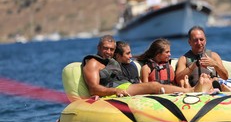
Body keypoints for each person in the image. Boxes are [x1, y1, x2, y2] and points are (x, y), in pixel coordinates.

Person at [82, 35, 212, 97]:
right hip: (117, 90)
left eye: (111, 49)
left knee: (155, 87)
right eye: (105, 49)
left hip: (126, 87)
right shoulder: (93, 63)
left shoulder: (111, 61)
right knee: (154, 85)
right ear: (98, 47)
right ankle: (192, 91)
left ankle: (191, 90)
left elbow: (127, 58)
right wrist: (115, 91)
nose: (108, 52)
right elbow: (94, 89)